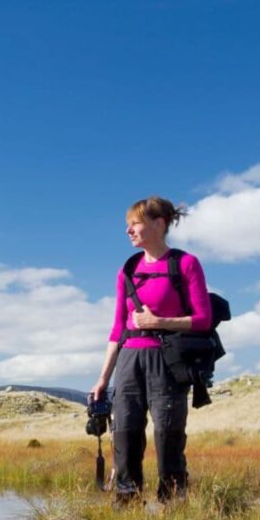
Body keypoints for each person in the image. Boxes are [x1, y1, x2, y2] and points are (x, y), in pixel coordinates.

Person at [88, 196, 212, 503]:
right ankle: (127, 503)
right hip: (129, 361)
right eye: (127, 225)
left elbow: (203, 319)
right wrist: (104, 378)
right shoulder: (127, 270)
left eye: (135, 224)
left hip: (167, 360)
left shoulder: (186, 264)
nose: (128, 231)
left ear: (159, 224)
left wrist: (160, 321)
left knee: (168, 434)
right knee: (125, 433)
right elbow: (118, 328)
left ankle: (172, 502)